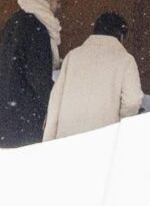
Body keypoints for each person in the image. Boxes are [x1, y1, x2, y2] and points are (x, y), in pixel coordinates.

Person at [0, 0, 61, 150]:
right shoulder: (36, 28)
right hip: (22, 112)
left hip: (5, 104)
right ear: (45, 0)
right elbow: (37, 76)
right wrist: (56, 101)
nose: (58, 7)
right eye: (57, 1)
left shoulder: (17, 20)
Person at [44, 11, 144, 141]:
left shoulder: (73, 56)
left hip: (67, 138)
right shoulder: (125, 60)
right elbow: (132, 100)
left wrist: (48, 140)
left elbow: (55, 101)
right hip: (103, 139)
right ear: (121, 37)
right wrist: (120, 122)